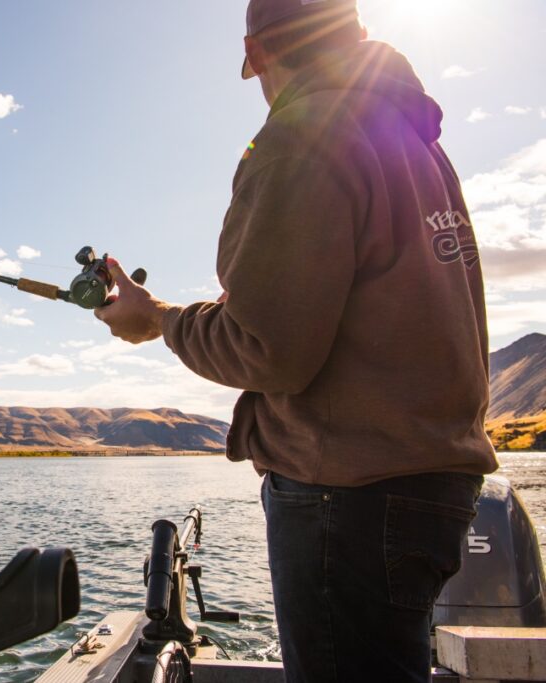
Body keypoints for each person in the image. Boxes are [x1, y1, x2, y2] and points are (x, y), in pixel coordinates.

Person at [94, 0, 499, 680]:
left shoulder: (301, 138)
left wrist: (157, 319)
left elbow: (266, 346)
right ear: (356, 33)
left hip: (348, 498)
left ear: (255, 56)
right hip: (434, 488)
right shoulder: (416, 142)